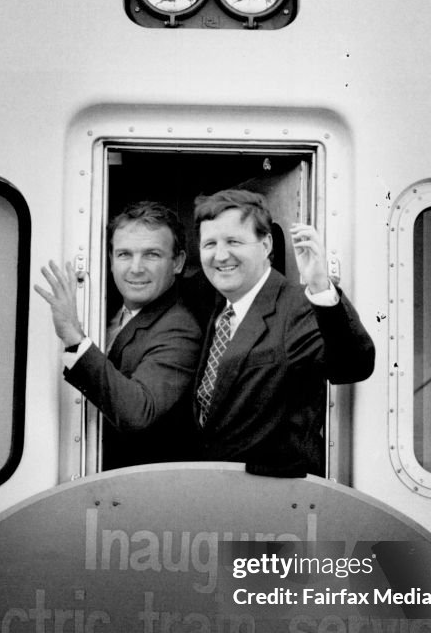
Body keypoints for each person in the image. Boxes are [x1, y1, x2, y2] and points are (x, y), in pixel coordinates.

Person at [193, 188, 375, 477]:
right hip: (219, 496)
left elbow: (352, 366)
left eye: (233, 241)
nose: (220, 255)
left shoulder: (298, 306)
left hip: (273, 499)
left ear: (265, 245)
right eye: (209, 244)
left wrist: (319, 286)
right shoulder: (216, 307)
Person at [35, 202, 202, 469]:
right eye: (124, 254)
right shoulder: (105, 307)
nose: (136, 268)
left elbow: (139, 412)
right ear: (110, 260)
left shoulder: (180, 327)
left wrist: (75, 338)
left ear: (178, 262)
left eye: (152, 255)